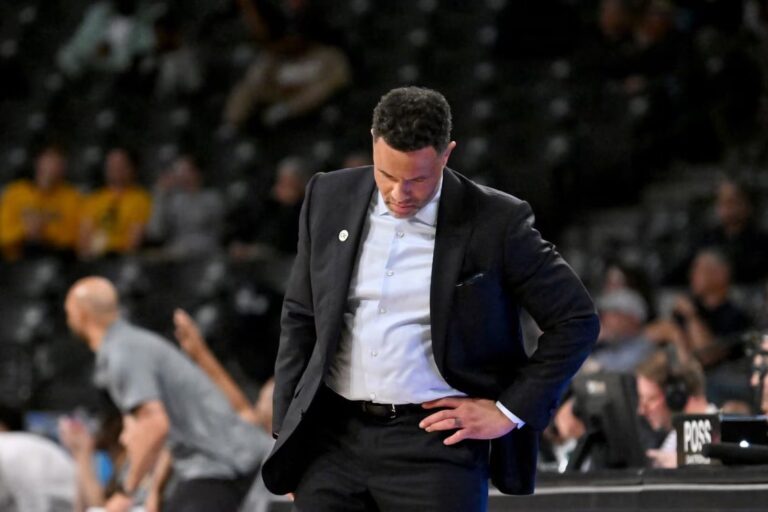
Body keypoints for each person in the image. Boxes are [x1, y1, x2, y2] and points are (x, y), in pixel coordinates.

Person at [262, 86, 600, 510]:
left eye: (418, 179)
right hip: (331, 439)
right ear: (372, 141)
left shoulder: (496, 221)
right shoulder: (328, 196)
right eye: (387, 175)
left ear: (446, 154)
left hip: (434, 446)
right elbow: (301, 315)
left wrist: (509, 411)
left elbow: (576, 320)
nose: (399, 194)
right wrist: (287, 433)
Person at [64, 276, 271, 511]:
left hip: (224, 463)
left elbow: (155, 425)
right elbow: (166, 432)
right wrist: (154, 492)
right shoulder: (132, 344)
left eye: (68, 311)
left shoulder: (122, 351)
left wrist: (125, 492)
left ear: (80, 314)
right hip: (219, 462)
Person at [636, 350, 716, 468]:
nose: (641, 410)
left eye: (650, 399)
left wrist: (683, 464)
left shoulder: (719, 435)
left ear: (676, 396)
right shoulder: (676, 437)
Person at [0, 144, 81, 261]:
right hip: (16, 260)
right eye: (48, 161)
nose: (51, 167)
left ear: (63, 167)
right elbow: (3, 234)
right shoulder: (16, 192)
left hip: (57, 259)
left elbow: (75, 238)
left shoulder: (71, 196)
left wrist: (45, 232)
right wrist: (25, 231)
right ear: (37, 162)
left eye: (57, 162)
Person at [78, 147, 152, 259]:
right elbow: (84, 236)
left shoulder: (140, 199)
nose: (115, 168)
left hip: (120, 258)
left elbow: (134, 241)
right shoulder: (95, 199)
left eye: (120, 164)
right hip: (94, 258)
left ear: (130, 168)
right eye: (111, 164)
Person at [146, 155, 224, 259]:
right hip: (176, 257)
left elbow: (216, 232)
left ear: (196, 173)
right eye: (177, 171)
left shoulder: (212, 198)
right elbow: (156, 232)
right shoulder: (172, 201)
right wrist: (160, 195)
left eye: (184, 170)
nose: (180, 175)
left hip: (205, 254)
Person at [582, 288, 655, 374]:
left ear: (631, 319)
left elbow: (621, 366)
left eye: (613, 314)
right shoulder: (611, 343)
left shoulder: (644, 346)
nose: (605, 318)